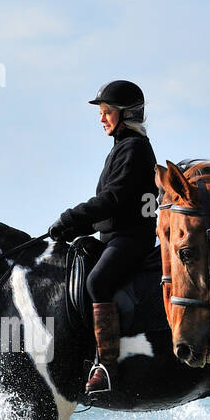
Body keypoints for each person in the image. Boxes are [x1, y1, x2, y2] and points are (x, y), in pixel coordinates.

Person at [49, 80, 158, 394]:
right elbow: (112, 209)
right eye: (102, 112)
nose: (102, 118)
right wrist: (74, 229)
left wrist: (71, 217)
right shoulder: (122, 147)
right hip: (114, 235)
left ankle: (107, 366)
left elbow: (113, 198)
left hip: (131, 239)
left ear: (127, 114)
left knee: (97, 282)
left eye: (107, 112)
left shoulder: (135, 148)